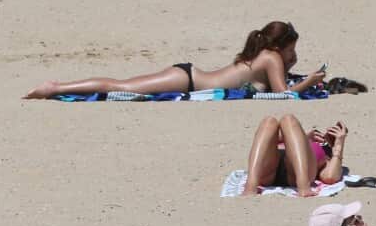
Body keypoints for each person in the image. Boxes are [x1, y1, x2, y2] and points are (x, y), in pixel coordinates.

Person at [24, 21, 324, 98]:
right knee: (122, 87)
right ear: (280, 47)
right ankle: (57, 88)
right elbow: (283, 94)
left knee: (124, 84)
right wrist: (308, 81)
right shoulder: (271, 58)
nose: (292, 56)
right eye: (292, 51)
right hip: (188, 80)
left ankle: (58, 87)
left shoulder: (264, 55)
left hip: (189, 76)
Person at [243, 116, 346, 197]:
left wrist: (339, 144)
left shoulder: (328, 156)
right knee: (269, 122)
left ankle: (303, 185)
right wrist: (302, 137)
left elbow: (330, 177)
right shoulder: (303, 140)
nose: (326, 134)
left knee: (289, 119)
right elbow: (269, 139)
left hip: (298, 175)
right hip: (271, 165)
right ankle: (251, 185)